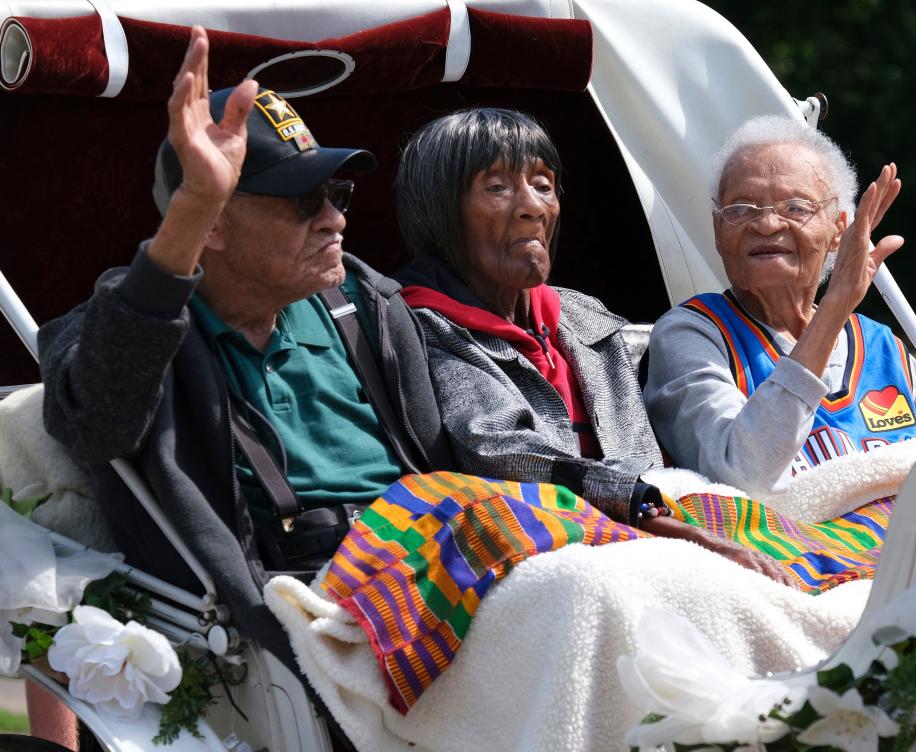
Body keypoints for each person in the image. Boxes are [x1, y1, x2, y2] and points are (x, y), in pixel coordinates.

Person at [38, 25, 451, 680]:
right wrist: (195, 201)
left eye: (337, 195)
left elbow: (453, 457)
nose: (336, 219)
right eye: (303, 200)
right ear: (217, 228)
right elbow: (96, 420)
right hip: (311, 602)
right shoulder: (120, 327)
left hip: (436, 561)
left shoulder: (367, 305)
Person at [394, 107, 794, 586]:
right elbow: (503, 453)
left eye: (543, 185)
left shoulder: (582, 316)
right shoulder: (422, 327)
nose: (533, 207)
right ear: (440, 211)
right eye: (497, 188)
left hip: (662, 525)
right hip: (542, 557)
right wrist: (669, 527)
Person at [644, 115, 916, 498]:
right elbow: (743, 475)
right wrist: (835, 307)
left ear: (839, 230)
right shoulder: (694, 334)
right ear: (718, 231)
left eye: (796, 207)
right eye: (740, 208)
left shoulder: (886, 350)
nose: (765, 224)